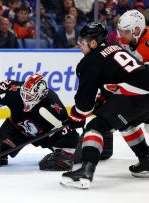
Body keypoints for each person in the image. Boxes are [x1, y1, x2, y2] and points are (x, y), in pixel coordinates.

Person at [60, 22, 149, 189]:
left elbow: (84, 106)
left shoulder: (89, 61)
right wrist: (103, 100)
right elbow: (120, 78)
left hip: (136, 92)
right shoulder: (115, 48)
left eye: (83, 41)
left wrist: (76, 117)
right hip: (144, 87)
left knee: (96, 126)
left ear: (93, 43)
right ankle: (146, 160)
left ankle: (85, 171)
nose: (80, 45)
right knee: (125, 122)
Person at [0, 73, 80, 171]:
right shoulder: (12, 89)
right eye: (24, 95)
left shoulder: (54, 106)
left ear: (41, 96)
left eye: (30, 97)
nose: (26, 100)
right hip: (15, 129)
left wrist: (67, 154)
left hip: (44, 136)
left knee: (79, 154)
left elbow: (68, 130)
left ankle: (91, 148)